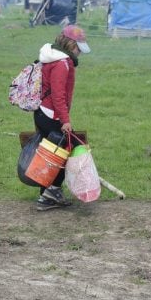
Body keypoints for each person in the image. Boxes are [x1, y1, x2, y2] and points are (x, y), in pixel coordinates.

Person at [33, 24, 91, 211]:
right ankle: (53, 192)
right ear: (70, 44)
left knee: (49, 155)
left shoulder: (51, 57)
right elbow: (58, 95)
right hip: (53, 115)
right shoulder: (62, 63)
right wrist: (65, 120)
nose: (79, 53)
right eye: (78, 48)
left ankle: (46, 195)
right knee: (64, 152)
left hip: (42, 112)